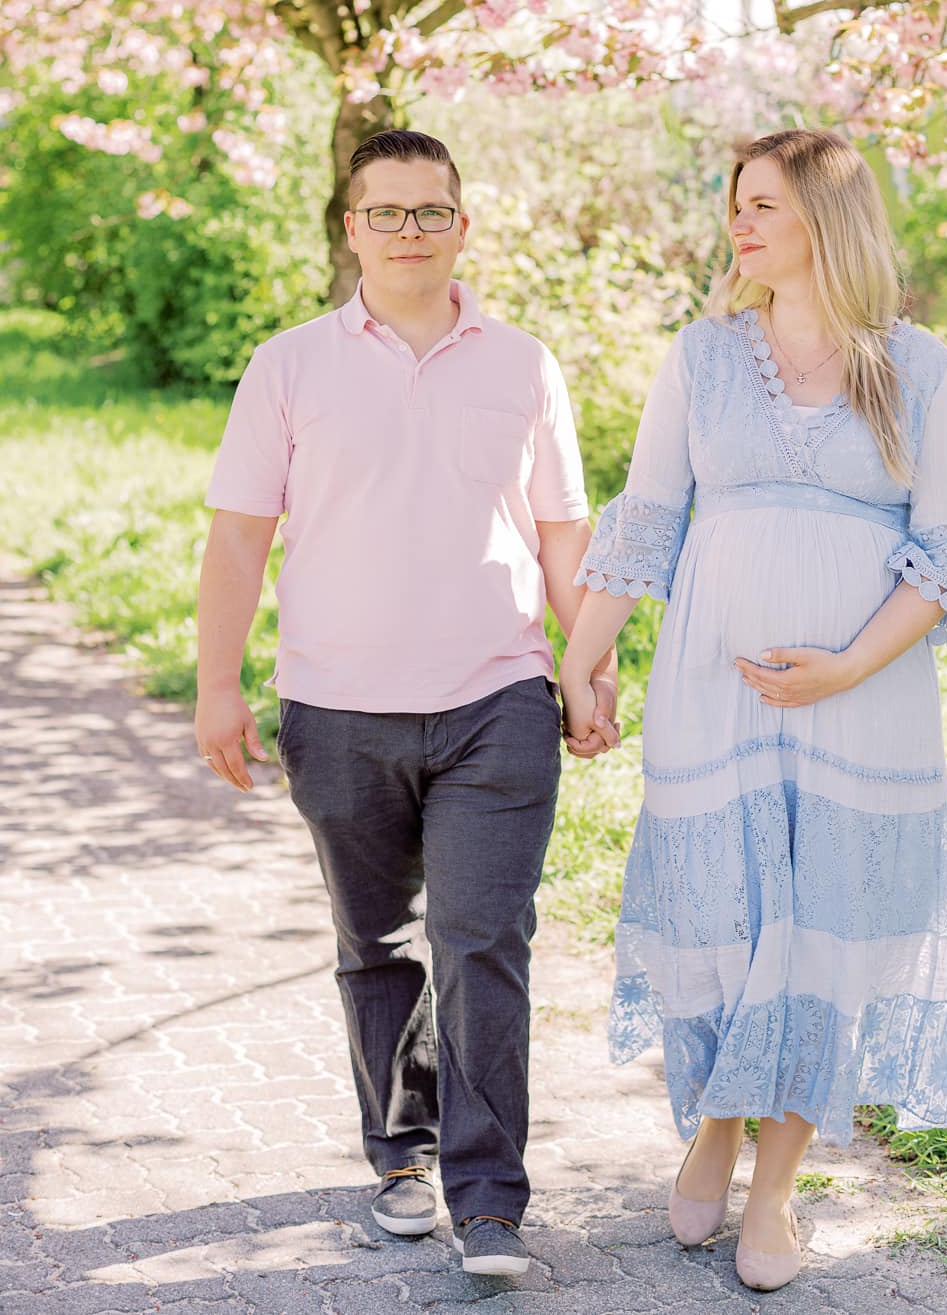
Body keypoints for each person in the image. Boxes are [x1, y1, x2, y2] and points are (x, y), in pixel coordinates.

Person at [558, 127, 947, 1293]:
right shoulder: (702, 358)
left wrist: (849, 665)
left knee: (818, 931)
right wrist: (581, 663)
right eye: (736, 205)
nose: (741, 224)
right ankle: (715, 1124)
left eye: (765, 203)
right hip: (715, 692)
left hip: (861, 701)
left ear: (828, 217)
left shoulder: (915, 367)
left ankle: (775, 1191)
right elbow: (646, 519)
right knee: (724, 917)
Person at [194, 129, 617, 1279]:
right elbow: (240, 537)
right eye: (386, 213)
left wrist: (588, 662)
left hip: (498, 701)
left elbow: (562, 530)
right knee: (375, 945)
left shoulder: (525, 364)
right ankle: (402, 1158)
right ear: (352, 226)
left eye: (431, 212)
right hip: (334, 707)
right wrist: (217, 685)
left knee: (484, 942)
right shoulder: (288, 366)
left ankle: (491, 1201)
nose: (410, 232)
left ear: (463, 226)